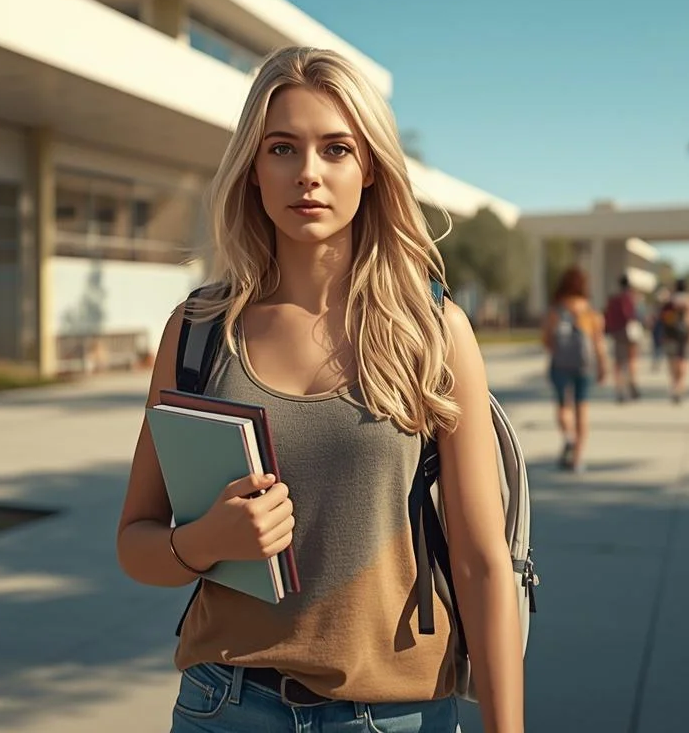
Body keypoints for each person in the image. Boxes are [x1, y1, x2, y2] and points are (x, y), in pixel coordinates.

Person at [116, 47, 525, 732]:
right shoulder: (197, 332)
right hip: (225, 707)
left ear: (369, 169)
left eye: (336, 149)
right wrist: (209, 539)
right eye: (282, 148)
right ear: (253, 167)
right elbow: (136, 543)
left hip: (395, 715)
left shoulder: (433, 332)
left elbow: (485, 564)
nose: (308, 173)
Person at [542, 267, 608, 471]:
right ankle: (578, 459)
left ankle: (569, 437)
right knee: (582, 409)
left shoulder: (556, 310)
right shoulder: (590, 312)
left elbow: (546, 339)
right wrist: (603, 366)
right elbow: (598, 343)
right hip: (583, 366)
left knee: (563, 405)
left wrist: (558, 351)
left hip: (560, 364)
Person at [656, 279, 689, 404]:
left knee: (671, 360)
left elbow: (661, 317)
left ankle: (673, 384)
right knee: (683, 359)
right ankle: (680, 386)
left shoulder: (670, 299)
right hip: (684, 334)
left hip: (670, 334)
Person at [601, 273, 643, 403]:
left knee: (618, 362)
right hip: (630, 332)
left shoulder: (614, 299)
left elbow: (607, 316)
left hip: (617, 332)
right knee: (631, 359)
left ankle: (619, 389)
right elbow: (633, 315)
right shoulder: (632, 298)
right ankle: (632, 383)